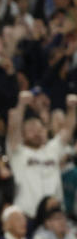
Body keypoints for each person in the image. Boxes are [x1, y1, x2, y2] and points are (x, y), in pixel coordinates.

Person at [6, 91, 77, 219]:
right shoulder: (18, 152)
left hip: (54, 216)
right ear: (23, 134)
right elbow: (14, 128)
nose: (37, 133)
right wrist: (21, 105)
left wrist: (72, 109)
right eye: (31, 130)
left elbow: (67, 130)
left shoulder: (52, 150)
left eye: (39, 129)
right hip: (27, 215)